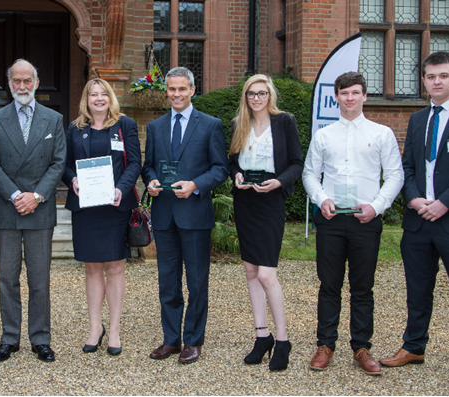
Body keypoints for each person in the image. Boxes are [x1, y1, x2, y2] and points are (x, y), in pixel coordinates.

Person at [379, 52, 449, 391]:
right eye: (431, 76)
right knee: (417, 291)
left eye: (443, 75)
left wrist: (443, 203)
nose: (437, 82)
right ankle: (414, 346)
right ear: (424, 80)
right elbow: (408, 166)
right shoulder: (417, 120)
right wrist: (413, 199)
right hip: (418, 222)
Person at [302, 72, 403, 376]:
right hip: (332, 220)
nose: (349, 98)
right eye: (344, 93)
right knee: (329, 285)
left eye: (355, 93)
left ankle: (361, 346)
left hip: (365, 220)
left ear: (364, 96)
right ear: (336, 97)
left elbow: (396, 175)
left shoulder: (382, 133)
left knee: (362, 287)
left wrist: (376, 206)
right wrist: (322, 199)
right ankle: (325, 345)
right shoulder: (324, 135)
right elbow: (309, 173)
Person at [142, 67, 229, 364]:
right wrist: (151, 182)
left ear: (193, 90)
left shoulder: (210, 125)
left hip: (194, 215)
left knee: (196, 282)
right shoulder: (155, 127)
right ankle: (171, 340)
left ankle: (193, 340)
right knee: (167, 282)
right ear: (166, 91)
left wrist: (196, 185)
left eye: (182, 89)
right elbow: (148, 166)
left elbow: (220, 168)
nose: (176, 94)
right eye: (171, 89)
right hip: (165, 216)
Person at [0, 59, 66, 363]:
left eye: (27, 80)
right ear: (9, 83)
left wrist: (38, 195)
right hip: (7, 207)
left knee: (39, 278)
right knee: (8, 277)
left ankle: (41, 338)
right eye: (16, 81)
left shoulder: (53, 119)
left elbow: (58, 162)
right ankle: (9, 337)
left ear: (36, 81)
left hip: (40, 209)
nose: (22, 86)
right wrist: (17, 195)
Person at [228, 74, 303, 371]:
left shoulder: (285, 122)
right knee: (250, 270)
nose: (256, 98)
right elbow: (232, 160)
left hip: (271, 200)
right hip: (246, 200)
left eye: (262, 93)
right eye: (251, 94)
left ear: (270, 95)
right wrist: (235, 173)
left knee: (267, 274)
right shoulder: (239, 124)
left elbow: (297, 163)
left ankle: (282, 340)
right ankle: (262, 336)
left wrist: (279, 182)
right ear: (245, 97)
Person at [62, 78, 142, 356]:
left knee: (116, 267)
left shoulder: (125, 125)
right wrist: (72, 180)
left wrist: (121, 189)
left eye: (103, 94)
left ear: (110, 98)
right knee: (92, 267)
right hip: (86, 207)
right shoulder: (75, 129)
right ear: (86, 99)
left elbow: (135, 163)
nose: (98, 99)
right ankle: (95, 327)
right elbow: (65, 165)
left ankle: (116, 330)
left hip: (115, 205)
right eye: (93, 94)